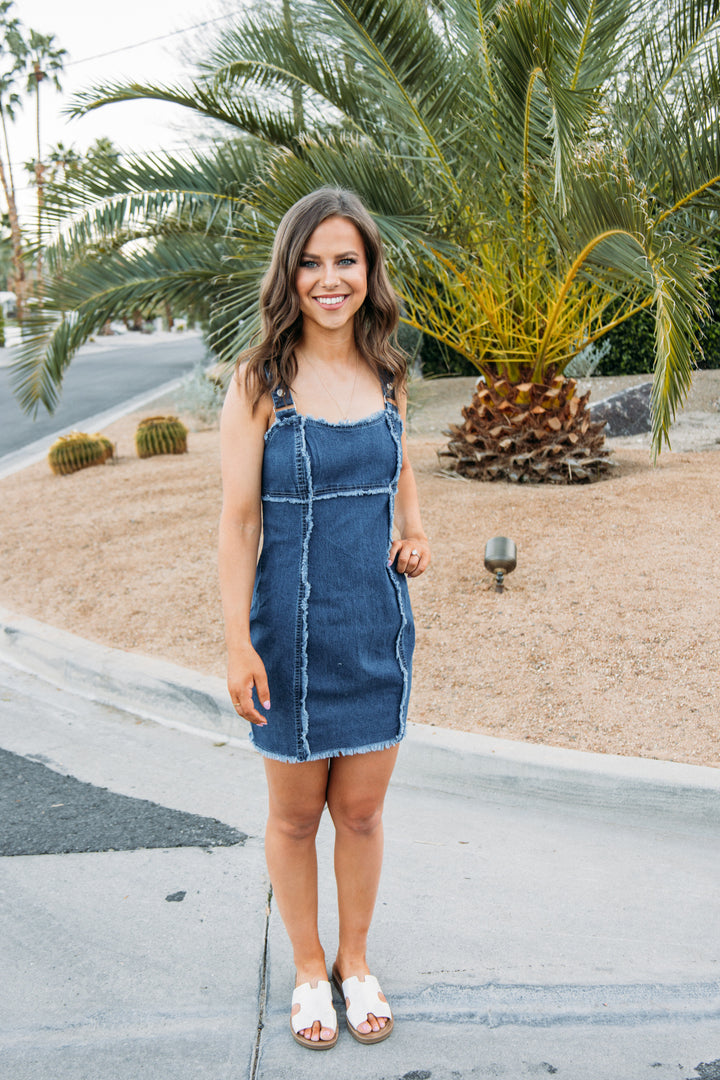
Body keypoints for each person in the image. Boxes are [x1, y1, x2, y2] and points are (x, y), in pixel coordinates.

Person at [218, 187, 430, 1050]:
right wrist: (237, 643)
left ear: (369, 270)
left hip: (376, 630)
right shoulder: (259, 379)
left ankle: (355, 959)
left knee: (366, 815)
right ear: (289, 272)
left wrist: (413, 531)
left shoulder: (388, 373)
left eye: (346, 260)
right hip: (290, 639)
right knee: (298, 817)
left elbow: (400, 464)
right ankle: (308, 966)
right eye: (312, 261)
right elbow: (238, 523)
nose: (329, 278)